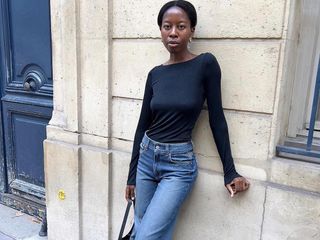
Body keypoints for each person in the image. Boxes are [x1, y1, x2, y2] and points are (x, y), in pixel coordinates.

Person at [125, 1, 250, 239]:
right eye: (167, 26)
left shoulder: (205, 64)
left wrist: (229, 171)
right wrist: (131, 175)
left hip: (178, 166)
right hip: (146, 158)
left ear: (192, 30)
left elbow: (217, 118)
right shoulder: (155, 74)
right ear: (160, 30)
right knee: (146, 228)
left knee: (145, 235)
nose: (173, 32)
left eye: (181, 26)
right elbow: (142, 125)